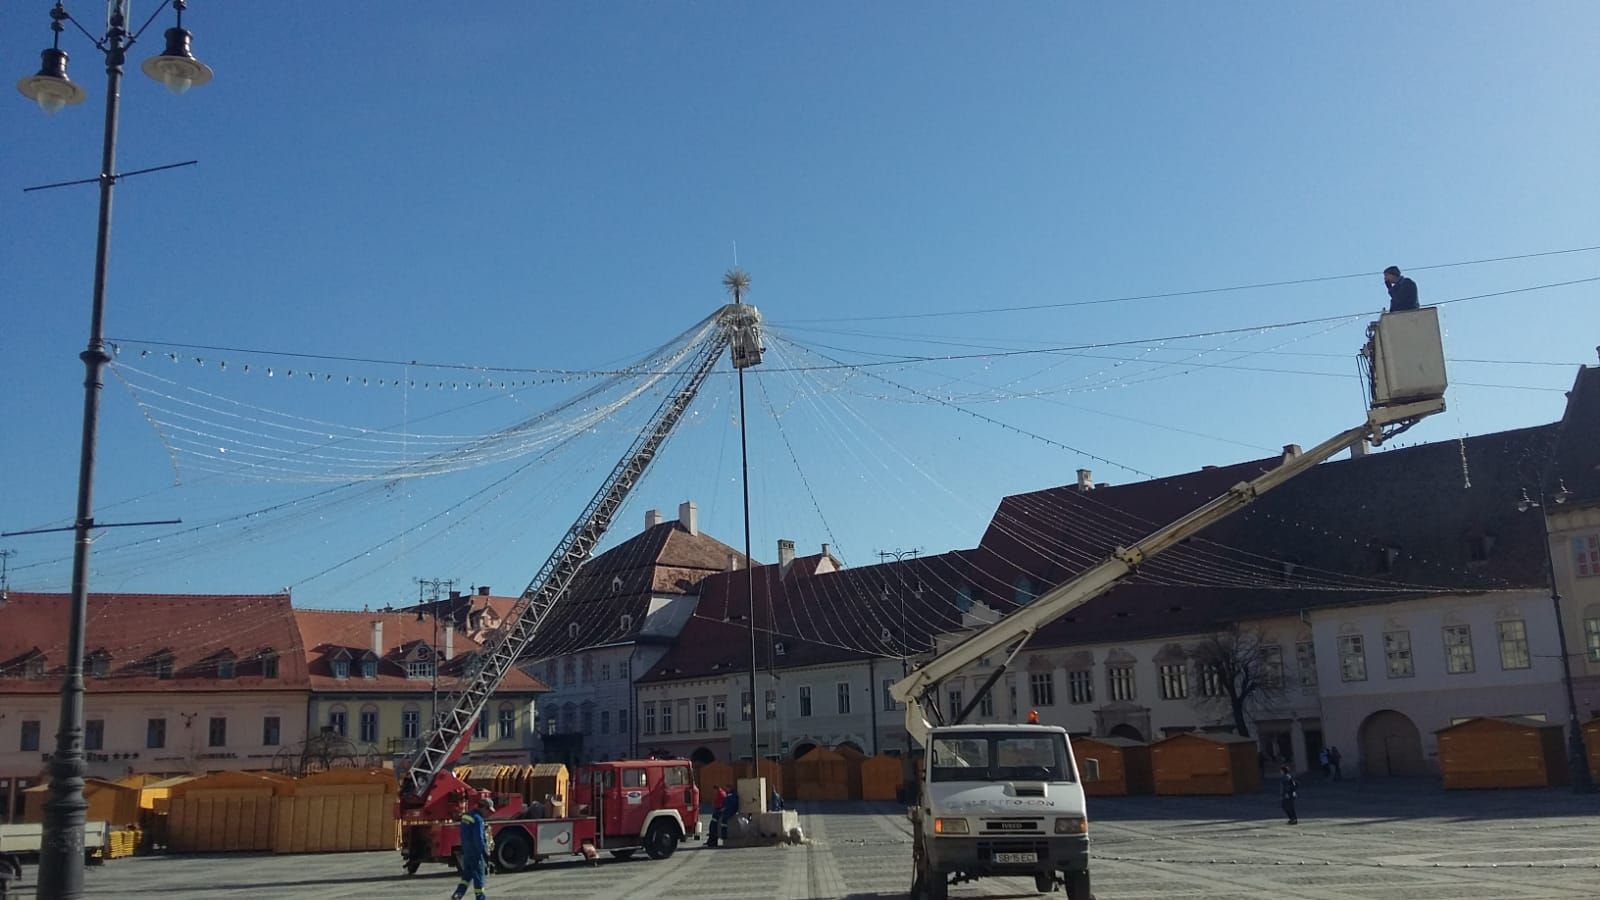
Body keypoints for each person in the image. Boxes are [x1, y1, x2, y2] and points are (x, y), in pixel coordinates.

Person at [452, 793, 494, 900]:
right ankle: (480, 898)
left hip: (466, 850)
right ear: (483, 808)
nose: (488, 813)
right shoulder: (478, 819)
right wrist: (485, 854)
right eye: (488, 810)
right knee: (479, 877)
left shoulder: (467, 815)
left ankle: (458, 894)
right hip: (476, 852)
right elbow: (479, 839)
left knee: (466, 876)